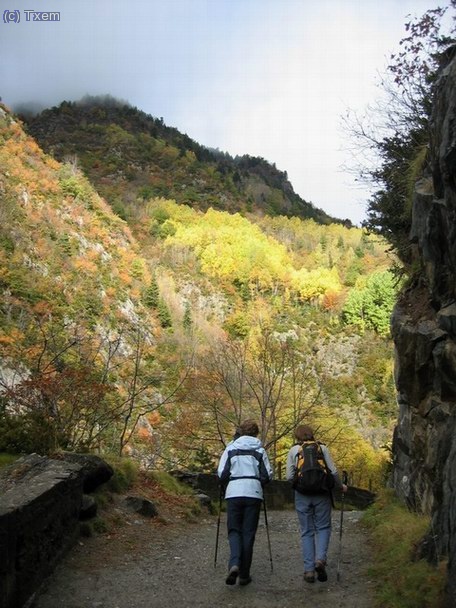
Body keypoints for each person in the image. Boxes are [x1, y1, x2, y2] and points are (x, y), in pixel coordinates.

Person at [286, 424, 347, 584]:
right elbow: (332, 471)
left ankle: (308, 571)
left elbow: (289, 476)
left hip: (302, 495)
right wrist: (340, 486)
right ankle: (320, 560)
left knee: (306, 531)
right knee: (323, 527)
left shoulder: (294, 451)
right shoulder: (322, 448)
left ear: (297, 436)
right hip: (321, 493)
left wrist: (299, 484)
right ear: (312, 435)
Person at [217, 419, 273, 586]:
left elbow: (222, 474)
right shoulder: (260, 450)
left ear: (240, 431)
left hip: (234, 492)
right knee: (248, 533)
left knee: (234, 530)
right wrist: (257, 482)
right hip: (253, 492)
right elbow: (268, 475)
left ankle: (234, 563)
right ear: (256, 433)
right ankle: (244, 574)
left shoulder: (231, 448)